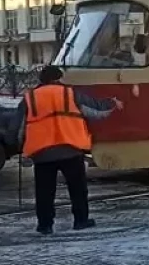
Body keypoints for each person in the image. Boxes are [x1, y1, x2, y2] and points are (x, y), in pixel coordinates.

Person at [15, 65, 124, 235]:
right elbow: (96, 110)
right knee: (77, 189)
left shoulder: (30, 98)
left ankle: (45, 225)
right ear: (60, 78)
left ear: (41, 80)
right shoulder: (70, 94)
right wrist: (113, 103)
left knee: (44, 192)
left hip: (42, 153)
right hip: (70, 149)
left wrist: (19, 145)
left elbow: (19, 127)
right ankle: (80, 221)